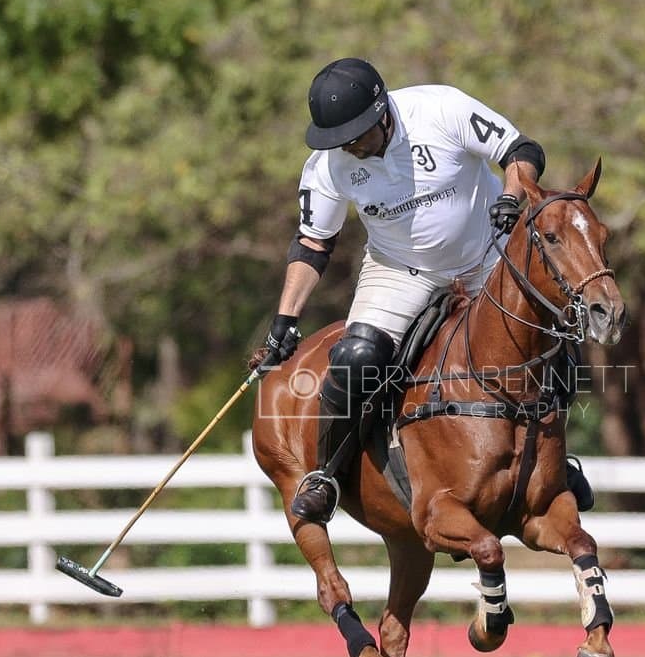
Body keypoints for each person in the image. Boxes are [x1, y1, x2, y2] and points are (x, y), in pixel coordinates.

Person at [250, 57, 592, 525]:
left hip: (490, 256)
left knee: (558, 341)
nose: (350, 147)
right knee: (355, 359)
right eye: (339, 140)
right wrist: (285, 319)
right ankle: (328, 474)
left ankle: (557, 466)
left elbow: (520, 149)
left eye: (356, 135)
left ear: (382, 112)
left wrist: (510, 198)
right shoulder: (329, 166)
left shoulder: (440, 110)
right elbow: (313, 244)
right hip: (400, 269)